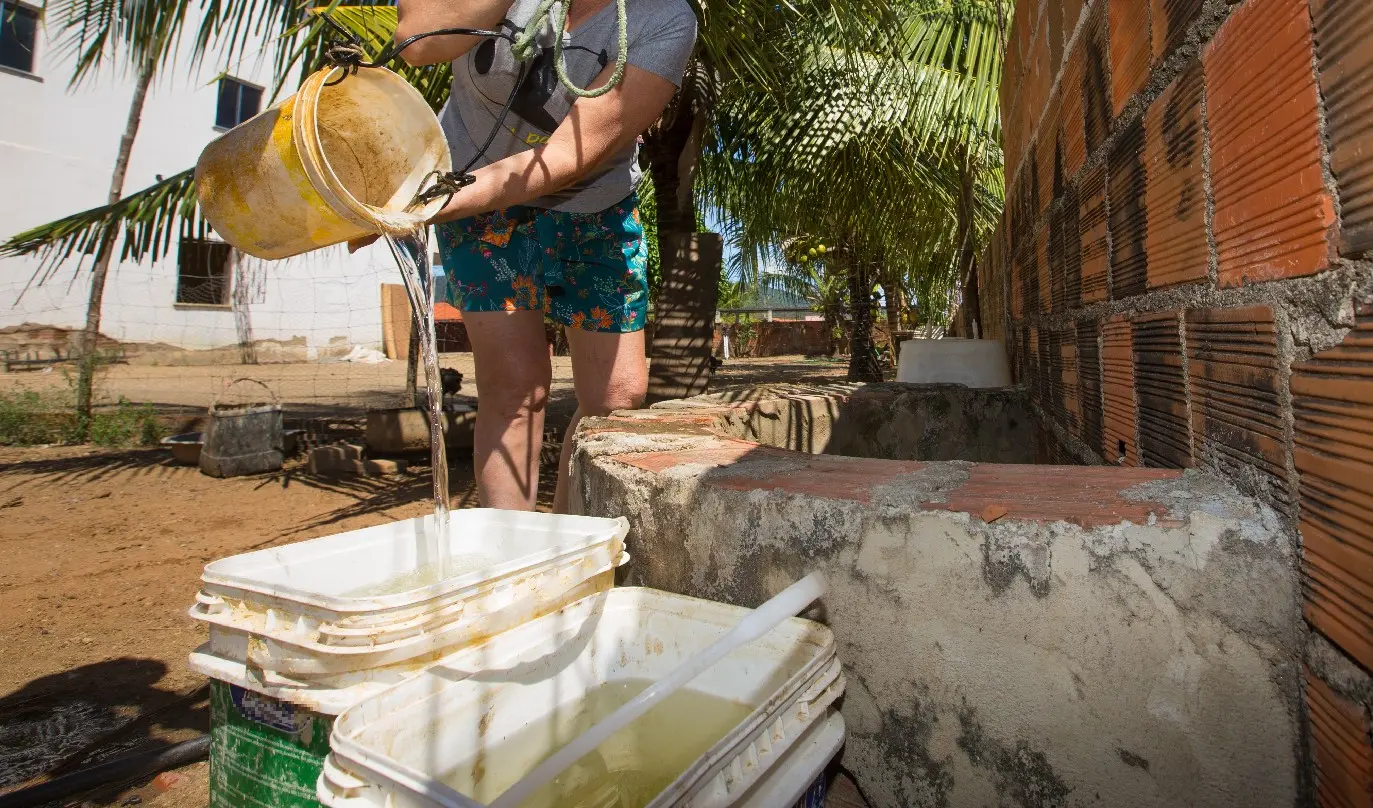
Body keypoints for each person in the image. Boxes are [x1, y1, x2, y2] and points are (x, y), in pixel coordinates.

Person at [352, 0, 697, 512]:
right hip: (475, 195)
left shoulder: (665, 17)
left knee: (617, 399)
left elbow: (568, 156)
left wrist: (428, 205)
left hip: (591, 204)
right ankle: (507, 560)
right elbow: (418, 42)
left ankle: (566, 545)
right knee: (514, 388)